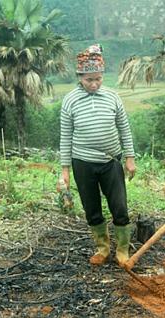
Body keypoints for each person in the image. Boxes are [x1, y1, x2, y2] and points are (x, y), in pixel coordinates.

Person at [59, 44, 136, 266]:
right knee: (91, 208)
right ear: (79, 77)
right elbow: (65, 137)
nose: (93, 84)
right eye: (88, 79)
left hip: (110, 161)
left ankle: (122, 250)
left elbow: (124, 128)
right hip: (82, 163)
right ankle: (102, 248)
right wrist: (65, 170)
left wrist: (129, 158)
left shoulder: (112, 97)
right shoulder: (70, 100)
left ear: (103, 76)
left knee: (120, 207)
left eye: (98, 79)